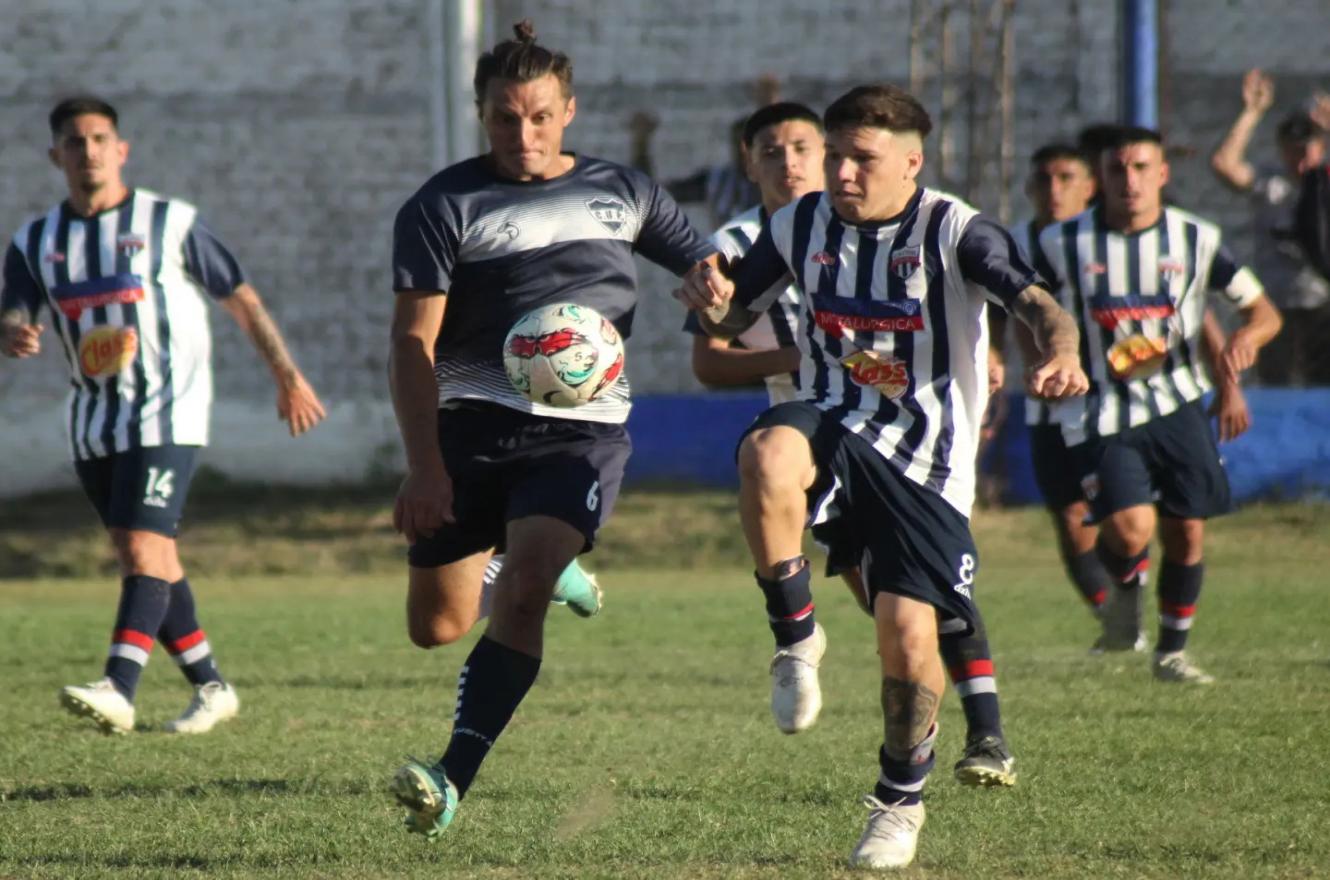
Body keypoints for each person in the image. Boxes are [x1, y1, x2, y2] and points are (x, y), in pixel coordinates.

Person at [678, 84, 1087, 869]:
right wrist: (715, 299)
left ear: (911, 162)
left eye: (860, 158)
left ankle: (900, 801)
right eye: (834, 155)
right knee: (764, 454)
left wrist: (1061, 352)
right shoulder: (798, 223)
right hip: (832, 420)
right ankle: (796, 639)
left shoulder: (956, 231)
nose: (840, 173)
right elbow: (732, 318)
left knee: (906, 637)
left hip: (927, 466)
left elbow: (1040, 306)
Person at [387, 21, 714, 841]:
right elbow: (411, 343)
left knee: (523, 589)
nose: (522, 134)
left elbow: (708, 265)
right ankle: (533, 562)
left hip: (581, 432)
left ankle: (450, 777)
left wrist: (714, 283)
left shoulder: (623, 191)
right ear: (481, 114)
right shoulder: (443, 204)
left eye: (538, 117)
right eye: (504, 118)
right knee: (436, 627)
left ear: (568, 111)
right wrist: (424, 467)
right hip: (471, 427)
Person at [0, 96, 326, 735]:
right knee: (147, 555)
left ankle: (119, 686)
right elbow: (15, 309)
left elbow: (242, 300)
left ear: (121, 150)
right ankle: (211, 685)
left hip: (168, 412)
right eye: (74, 141)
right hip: (93, 421)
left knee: (145, 547)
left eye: (99, 139)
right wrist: (13, 330)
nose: (88, 151)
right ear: (56, 156)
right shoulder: (35, 241)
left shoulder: (168, 223)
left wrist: (287, 376)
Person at [1039, 126, 1282, 685]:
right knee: (1128, 530)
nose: (1130, 180)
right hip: (1099, 408)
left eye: (1142, 168)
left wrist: (1248, 342)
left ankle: (1172, 652)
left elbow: (1264, 311)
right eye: (1118, 169)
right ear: (1100, 177)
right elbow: (1027, 307)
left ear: (1163, 174)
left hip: (1177, 405)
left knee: (1187, 532)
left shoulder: (1196, 239)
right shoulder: (1062, 243)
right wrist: (1046, 356)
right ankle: (1125, 595)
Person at [1210, 69, 1330, 386]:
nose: (1300, 160)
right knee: (1277, 382)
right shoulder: (1271, 182)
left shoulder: (1325, 180)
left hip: (1324, 300)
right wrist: (1252, 113)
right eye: (1292, 150)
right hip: (1277, 302)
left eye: (1307, 149)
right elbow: (1225, 164)